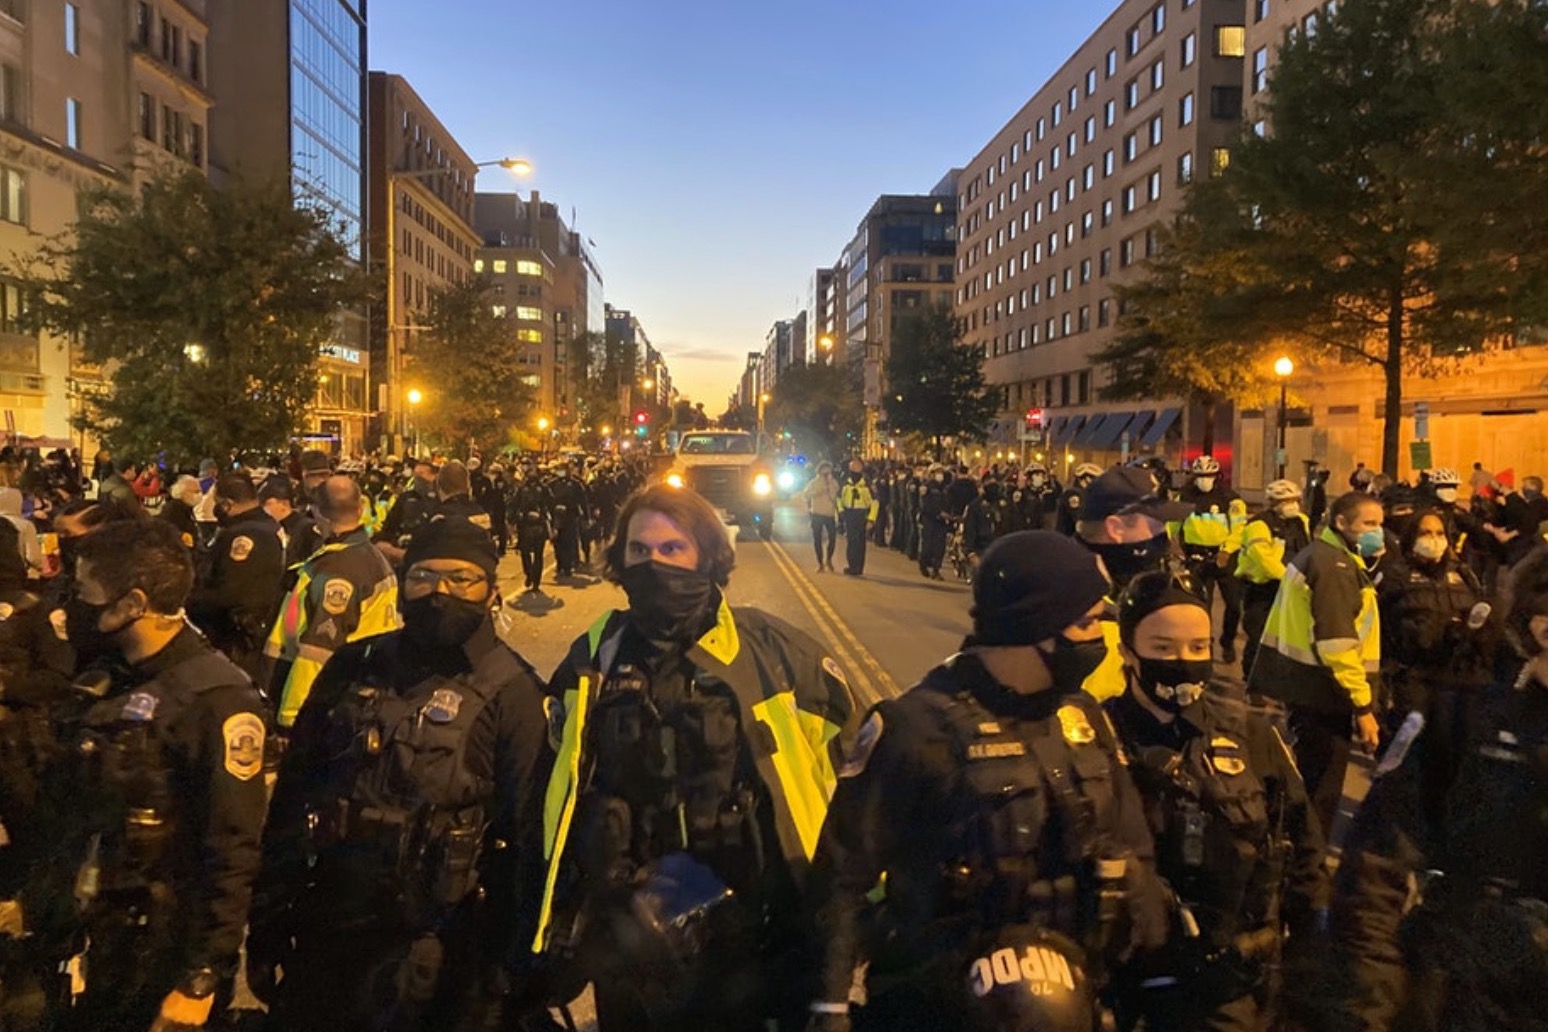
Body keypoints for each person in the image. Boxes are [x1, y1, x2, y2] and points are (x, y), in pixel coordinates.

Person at [806, 531, 1167, 1031]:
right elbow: (842, 880)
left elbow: (1132, 845)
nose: (1099, 641)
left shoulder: (1082, 717)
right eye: (1086, 624)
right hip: (941, 1004)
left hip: (1074, 1000)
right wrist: (830, 1005)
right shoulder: (917, 728)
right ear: (1036, 627)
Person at [533, 484, 855, 1030]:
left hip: (752, 940)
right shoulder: (595, 653)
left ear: (707, 555)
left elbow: (863, 783)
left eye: (671, 549)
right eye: (639, 551)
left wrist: (852, 922)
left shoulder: (776, 654)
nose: (654, 564)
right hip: (630, 939)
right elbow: (551, 776)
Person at [250, 517, 553, 1032]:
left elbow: (530, 839)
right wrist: (267, 919)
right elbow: (294, 796)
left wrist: (514, 963)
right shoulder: (354, 664)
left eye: (462, 579)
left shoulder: (515, 691)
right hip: (331, 926)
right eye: (424, 576)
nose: (440, 592)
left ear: (491, 590)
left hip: (446, 950)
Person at [37, 519, 267, 1030]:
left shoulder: (216, 698)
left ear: (133, 604)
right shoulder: (109, 676)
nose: (70, 605)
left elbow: (232, 849)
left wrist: (201, 977)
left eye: (83, 592)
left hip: (161, 946)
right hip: (95, 930)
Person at [1327, 545, 1548, 1031]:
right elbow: (1374, 879)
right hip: (1470, 989)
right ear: (1540, 627)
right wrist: (1368, 1011)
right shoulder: (1461, 722)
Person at [1103, 571, 1326, 1031]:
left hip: (1228, 984)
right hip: (1126, 980)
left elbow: (1304, 849)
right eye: (1162, 648)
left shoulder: (1252, 738)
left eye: (1198, 648)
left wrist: (1308, 962)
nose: (1183, 662)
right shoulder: (1096, 740)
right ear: (1128, 650)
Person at [1249, 490, 1384, 830]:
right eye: (1368, 524)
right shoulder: (1333, 566)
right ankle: (1307, 866)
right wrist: (1364, 708)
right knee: (1319, 795)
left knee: (1308, 784)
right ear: (1341, 522)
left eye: (1379, 524)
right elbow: (1337, 644)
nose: (1376, 532)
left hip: (1307, 688)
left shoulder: (1328, 556)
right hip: (1323, 692)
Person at [265, 475, 401, 730]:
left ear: (319, 514)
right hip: (360, 684)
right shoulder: (368, 556)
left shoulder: (338, 569)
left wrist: (291, 718)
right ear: (360, 508)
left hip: (327, 699)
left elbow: (318, 651)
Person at [186, 474, 287, 682]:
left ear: (227, 504)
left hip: (236, 640)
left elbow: (234, 593)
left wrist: (189, 600)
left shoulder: (247, 535)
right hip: (249, 635)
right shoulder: (266, 525)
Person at [1235, 479, 1311, 679]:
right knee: (1259, 636)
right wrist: (1290, 578)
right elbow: (1264, 559)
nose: (1292, 505)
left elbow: (1306, 549)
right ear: (1273, 503)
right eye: (1286, 501)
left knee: (1289, 637)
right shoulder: (1258, 525)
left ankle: (1282, 680)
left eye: (1295, 500)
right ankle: (1253, 681)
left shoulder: (1301, 521)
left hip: (1293, 587)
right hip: (1262, 587)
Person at [1176, 456, 1248, 664]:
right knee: (1201, 608)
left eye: (1208, 476)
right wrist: (1174, 543)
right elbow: (1174, 522)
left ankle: (1227, 642)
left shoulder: (1230, 498)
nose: (1204, 480)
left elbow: (1239, 529)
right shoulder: (1185, 496)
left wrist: (1227, 551)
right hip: (1197, 557)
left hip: (1224, 558)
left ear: (1216, 476)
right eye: (1200, 476)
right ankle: (1204, 644)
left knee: (1234, 605)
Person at [375, 457, 438, 568]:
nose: (418, 479)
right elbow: (390, 525)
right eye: (416, 475)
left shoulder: (440, 498)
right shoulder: (406, 498)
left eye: (422, 474)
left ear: (433, 476)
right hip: (406, 555)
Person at [258, 473, 322, 569]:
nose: (264, 508)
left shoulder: (307, 528)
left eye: (267, 504)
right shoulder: (267, 529)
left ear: (284, 503)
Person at [546, 461, 589, 578]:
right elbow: (546, 500)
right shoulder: (551, 484)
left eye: (563, 469)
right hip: (556, 517)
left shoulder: (576, 484)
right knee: (557, 542)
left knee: (569, 541)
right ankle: (559, 563)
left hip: (570, 516)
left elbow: (583, 501)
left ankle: (568, 566)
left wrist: (586, 517)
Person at [838, 460, 877, 576]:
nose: (855, 470)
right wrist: (841, 512)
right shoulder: (845, 482)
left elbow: (875, 502)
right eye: (853, 468)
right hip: (849, 513)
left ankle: (858, 567)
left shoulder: (867, 484)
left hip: (861, 514)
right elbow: (838, 498)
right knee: (851, 541)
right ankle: (852, 565)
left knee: (860, 542)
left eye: (858, 468)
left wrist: (871, 519)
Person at [802, 461, 841, 573]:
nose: (826, 473)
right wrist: (819, 491)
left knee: (832, 538)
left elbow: (835, 496)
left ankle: (829, 559)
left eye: (828, 471)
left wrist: (830, 486)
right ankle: (820, 563)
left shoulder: (833, 483)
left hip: (829, 514)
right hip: (817, 514)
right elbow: (806, 495)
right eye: (824, 471)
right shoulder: (813, 483)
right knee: (817, 539)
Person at [1055, 463, 1102, 536]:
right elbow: (1079, 517)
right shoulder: (1073, 494)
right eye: (1095, 479)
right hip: (1068, 539)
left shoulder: (1085, 494)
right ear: (1087, 479)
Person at [160, 475, 203, 551]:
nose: (199, 494)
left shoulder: (186, 507)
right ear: (183, 492)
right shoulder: (174, 509)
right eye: (196, 491)